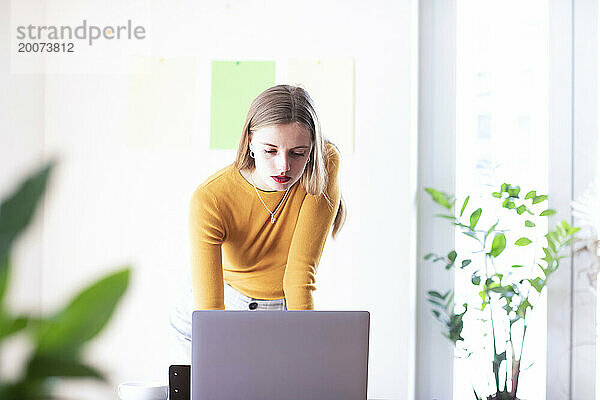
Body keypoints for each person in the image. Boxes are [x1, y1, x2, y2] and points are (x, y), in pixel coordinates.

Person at [169, 84, 346, 365]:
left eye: (298, 153)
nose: (283, 166)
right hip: (218, 310)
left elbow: (300, 277)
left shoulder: (324, 164)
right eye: (270, 151)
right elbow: (211, 312)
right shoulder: (210, 199)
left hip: (282, 309)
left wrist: (309, 355)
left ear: (312, 148)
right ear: (250, 141)